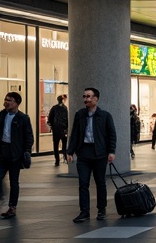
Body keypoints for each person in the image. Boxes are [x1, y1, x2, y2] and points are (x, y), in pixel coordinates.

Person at [66, 87, 117, 222]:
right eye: (84, 97)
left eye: (88, 97)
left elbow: (112, 135)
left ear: (96, 98)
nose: (86, 99)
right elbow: (75, 134)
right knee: (83, 183)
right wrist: (69, 151)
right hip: (83, 154)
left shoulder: (105, 116)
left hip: (99, 154)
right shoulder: (80, 114)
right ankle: (84, 212)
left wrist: (111, 151)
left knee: (100, 182)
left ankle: (101, 209)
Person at [0, 92, 34, 219]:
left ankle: (12, 207)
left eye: (9, 100)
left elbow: (29, 137)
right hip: (1, 152)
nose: (6, 102)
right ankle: (1, 196)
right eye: (5, 99)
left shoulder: (23, 118)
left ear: (16, 103)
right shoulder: (0, 115)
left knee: (14, 182)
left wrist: (27, 151)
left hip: (15, 154)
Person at [48, 94, 69, 166]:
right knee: (64, 145)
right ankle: (65, 157)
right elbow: (67, 119)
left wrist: (52, 125)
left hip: (56, 129)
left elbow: (50, 118)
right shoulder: (65, 108)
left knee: (56, 145)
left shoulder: (54, 108)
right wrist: (67, 128)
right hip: (63, 130)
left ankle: (57, 160)